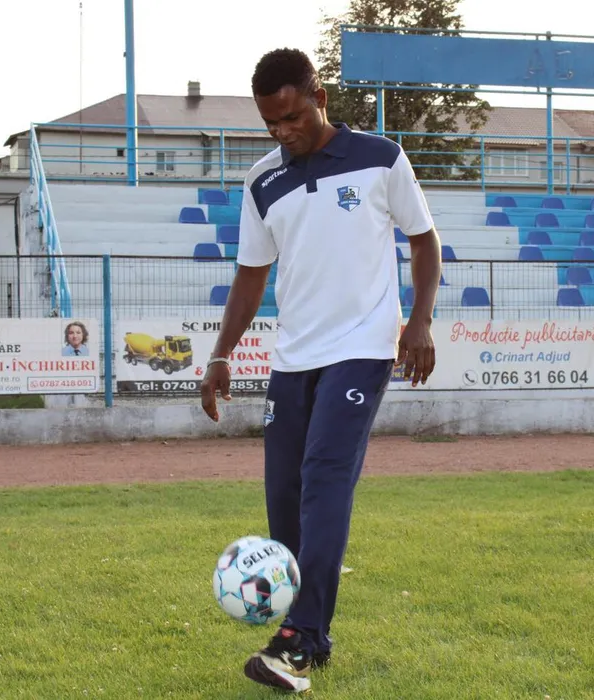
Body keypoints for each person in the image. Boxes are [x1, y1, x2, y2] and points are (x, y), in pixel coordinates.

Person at [200, 47, 442, 694]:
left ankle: (298, 642)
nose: (283, 131)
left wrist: (419, 322)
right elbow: (251, 276)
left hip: (363, 345)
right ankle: (314, 635)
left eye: (293, 117)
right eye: (271, 123)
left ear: (320, 98)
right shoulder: (262, 182)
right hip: (293, 355)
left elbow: (424, 239)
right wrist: (222, 353)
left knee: (324, 479)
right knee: (284, 499)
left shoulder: (381, 158)